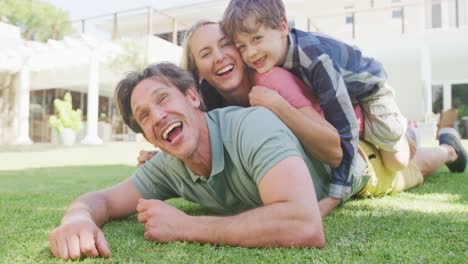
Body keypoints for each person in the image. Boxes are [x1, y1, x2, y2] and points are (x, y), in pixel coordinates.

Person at [49, 63, 464, 260]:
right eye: (144, 116)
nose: (157, 117)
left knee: (414, 169)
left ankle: (447, 146)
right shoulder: (168, 165)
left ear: (193, 98)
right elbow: (101, 200)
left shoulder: (252, 127)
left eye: (163, 100)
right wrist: (76, 220)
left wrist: (188, 227)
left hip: (361, 167)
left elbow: (305, 224)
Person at [221, 0, 417, 207]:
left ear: (282, 26)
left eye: (257, 39)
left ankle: (410, 132)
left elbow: (344, 126)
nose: (250, 53)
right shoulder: (272, 55)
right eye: (242, 46)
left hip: (371, 88)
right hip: (341, 90)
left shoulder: (315, 60)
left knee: (396, 162)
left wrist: (337, 191)